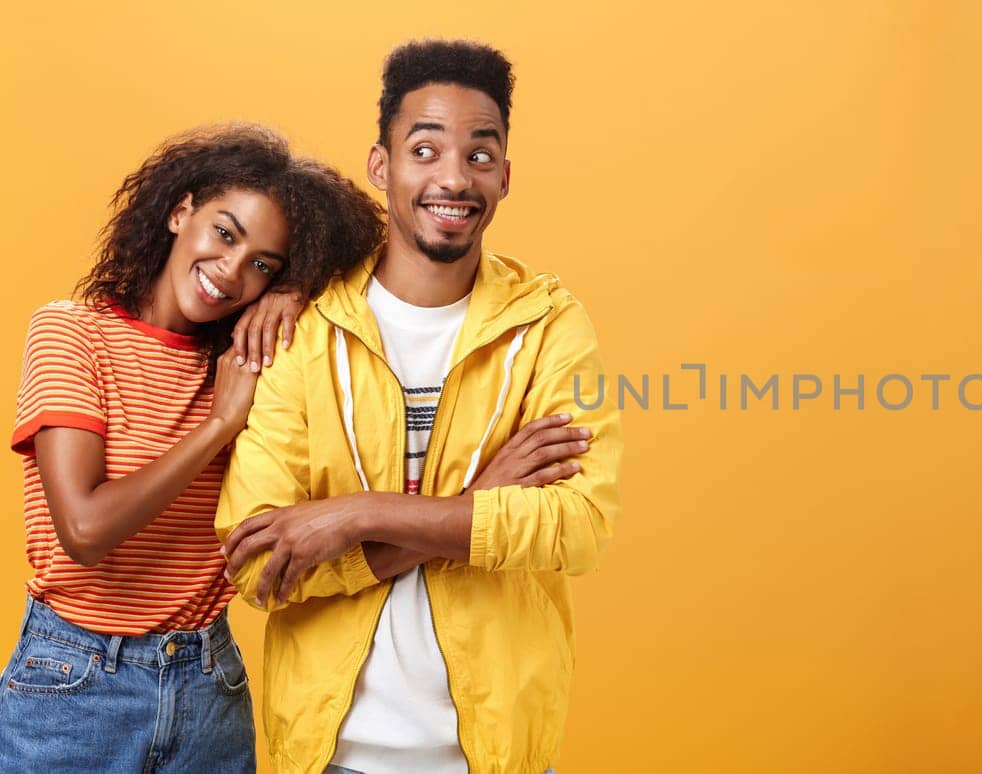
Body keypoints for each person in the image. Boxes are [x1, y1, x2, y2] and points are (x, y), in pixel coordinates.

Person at [217, 40, 623, 774]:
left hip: (497, 756)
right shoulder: (304, 331)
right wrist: (478, 506)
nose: (453, 178)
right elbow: (258, 559)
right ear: (383, 167)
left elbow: (579, 525)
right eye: (426, 148)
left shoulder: (550, 327)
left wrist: (354, 514)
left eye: (479, 154)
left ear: (503, 175)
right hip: (330, 756)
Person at [0, 123, 386, 770]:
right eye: (224, 233)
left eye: (263, 264)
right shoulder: (72, 334)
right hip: (74, 683)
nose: (231, 272)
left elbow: (384, 256)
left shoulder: (251, 361)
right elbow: (85, 528)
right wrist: (219, 426)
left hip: (211, 681)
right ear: (181, 212)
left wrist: (296, 289)